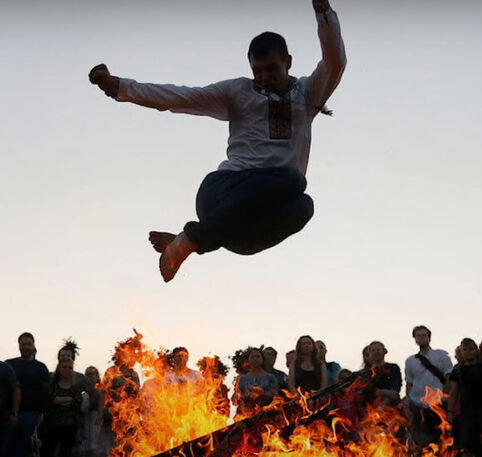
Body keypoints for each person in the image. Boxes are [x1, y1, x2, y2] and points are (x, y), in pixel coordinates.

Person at [89, 1, 346, 282]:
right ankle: (192, 238)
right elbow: (180, 97)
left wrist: (323, 13)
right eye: (257, 71)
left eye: (271, 69)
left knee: (303, 205)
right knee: (293, 181)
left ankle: (187, 241)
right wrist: (121, 87)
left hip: (245, 228)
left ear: (288, 62)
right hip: (221, 192)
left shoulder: (308, 94)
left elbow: (334, 62)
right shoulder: (238, 92)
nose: (264, 78)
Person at [2, 332, 51, 457]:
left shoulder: (41, 368)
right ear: (19, 345)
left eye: (29, 344)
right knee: (7, 450)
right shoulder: (9, 365)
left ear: (33, 345)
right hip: (12, 415)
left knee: (26, 452)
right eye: (23, 344)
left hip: (32, 415)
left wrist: (42, 414)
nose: (26, 347)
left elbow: (46, 393)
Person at [34, 358, 87, 457]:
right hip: (52, 427)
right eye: (64, 367)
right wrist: (67, 400)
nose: (67, 370)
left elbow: (77, 404)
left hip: (69, 428)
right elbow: (50, 400)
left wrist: (60, 401)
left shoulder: (76, 387)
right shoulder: (53, 386)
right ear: (59, 369)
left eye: (70, 367)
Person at [403, 325, 453, 449]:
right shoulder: (410, 361)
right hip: (417, 402)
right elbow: (409, 383)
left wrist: (446, 396)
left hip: (438, 401)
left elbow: (449, 377)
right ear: (415, 339)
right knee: (421, 438)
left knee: (440, 437)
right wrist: (409, 399)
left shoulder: (441, 355)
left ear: (429, 338)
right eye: (418, 336)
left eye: (424, 335)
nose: (421, 338)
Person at [234, 348, 281, 417]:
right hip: (248, 414)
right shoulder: (243, 379)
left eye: (258, 357)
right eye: (252, 357)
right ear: (248, 360)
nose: (255, 359)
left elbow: (275, 394)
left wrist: (262, 392)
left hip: (268, 413)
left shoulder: (271, 377)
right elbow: (239, 397)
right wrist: (250, 394)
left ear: (262, 359)